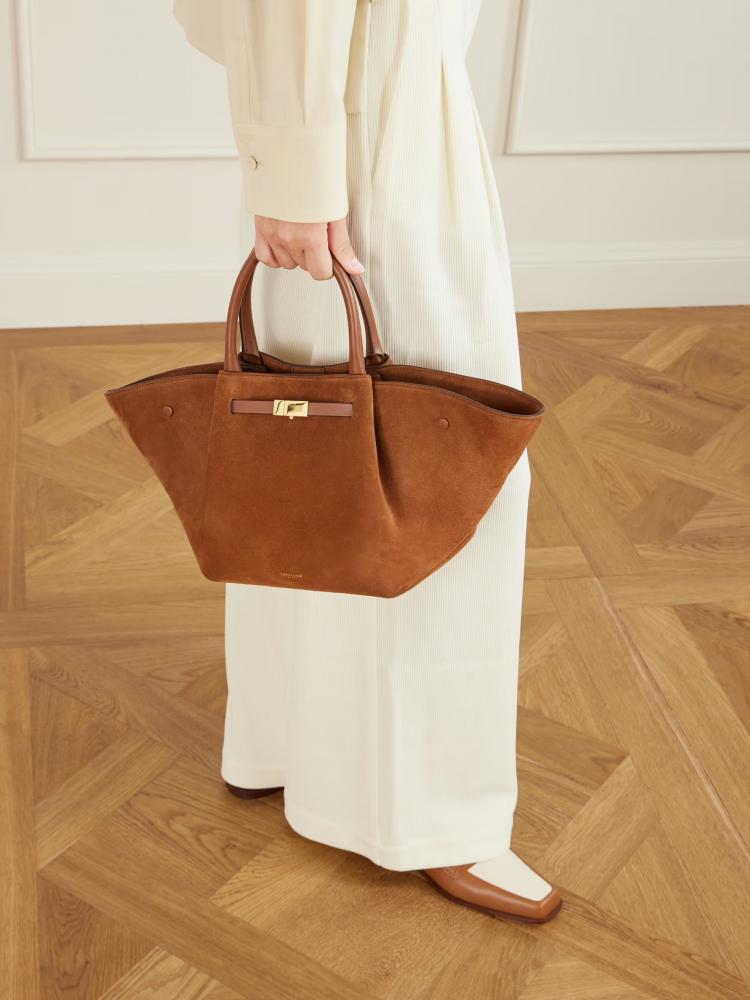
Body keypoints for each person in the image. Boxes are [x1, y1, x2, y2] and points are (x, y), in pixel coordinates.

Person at [173, 0, 561, 922]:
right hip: (381, 104)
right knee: (428, 470)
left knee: (310, 454)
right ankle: (431, 813)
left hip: (374, 94)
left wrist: (294, 152)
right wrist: (295, 170)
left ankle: (285, 738)